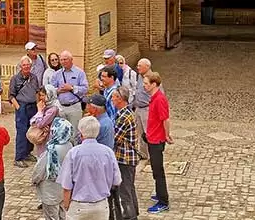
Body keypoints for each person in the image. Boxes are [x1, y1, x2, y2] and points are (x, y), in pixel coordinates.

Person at [58, 116, 122, 220]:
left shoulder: (74, 153)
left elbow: (66, 186)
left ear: (81, 133)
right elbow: (117, 181)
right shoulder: (108, 152)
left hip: (78, 205)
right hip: (101, 205)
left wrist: (66, 205)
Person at [31, 118, 74, 220]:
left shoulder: (52, 149)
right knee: (62, 215)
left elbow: (39, 170)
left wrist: (34, 180)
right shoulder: (70, 146)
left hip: (50, 191)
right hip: (63, 189)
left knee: (51, 216)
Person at [144, 71, 172, 214]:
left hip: (157, 140)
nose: (144, 86)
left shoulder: (159, 99)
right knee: (155, 170)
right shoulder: (153, 97)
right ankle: (159, 194)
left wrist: (167, 135)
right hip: (152, 137)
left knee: (158, 171)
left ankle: (163, 201)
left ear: (154, 84)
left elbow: (165, 119)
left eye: (146, 84)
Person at [111, 86, 139, 220]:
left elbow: (115, 139)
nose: (112, 99)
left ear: (120, 99)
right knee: (129, 189)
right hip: (127, 159)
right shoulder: (124, 113)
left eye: (114, 97)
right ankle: (134, 214)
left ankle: (130, 216)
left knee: (125, 192)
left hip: (124, 159)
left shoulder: (124, 117)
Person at [9, 55, 42, 168]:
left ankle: (28, 153)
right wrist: (18, 107)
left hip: (33, 107)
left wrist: (38, 106)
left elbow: (37, 92)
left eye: (28, 65)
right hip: (22, 107)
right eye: (24, 65)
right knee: (21, 132)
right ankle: (19, 158)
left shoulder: (34, 77)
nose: (26, 67)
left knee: (31, 130)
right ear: (20, 66)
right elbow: (11, 96)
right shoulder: (15, 79)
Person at [51, 50, 89, 144]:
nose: (63, 62)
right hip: (61, 107)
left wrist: (71, 88)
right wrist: (58, 90)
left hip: (74, 106)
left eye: (65, 59)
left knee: (74, 134)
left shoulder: (80, 73)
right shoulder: (57, 74)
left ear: (71, 60)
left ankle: (74, 155)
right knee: (61, 132)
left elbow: (85, 89)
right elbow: (50, 90)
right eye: (62, 60)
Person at [131, 58, 159, 160]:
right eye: (137, 65)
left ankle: (153, 154)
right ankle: (143, 153)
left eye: (140, 66)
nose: (137, 68)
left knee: (149, 132)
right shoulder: (139, 76)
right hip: (138, 108)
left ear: (147, 67)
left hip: (147, 109)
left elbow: (158, 94)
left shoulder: (153, 78)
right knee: (140, 132)